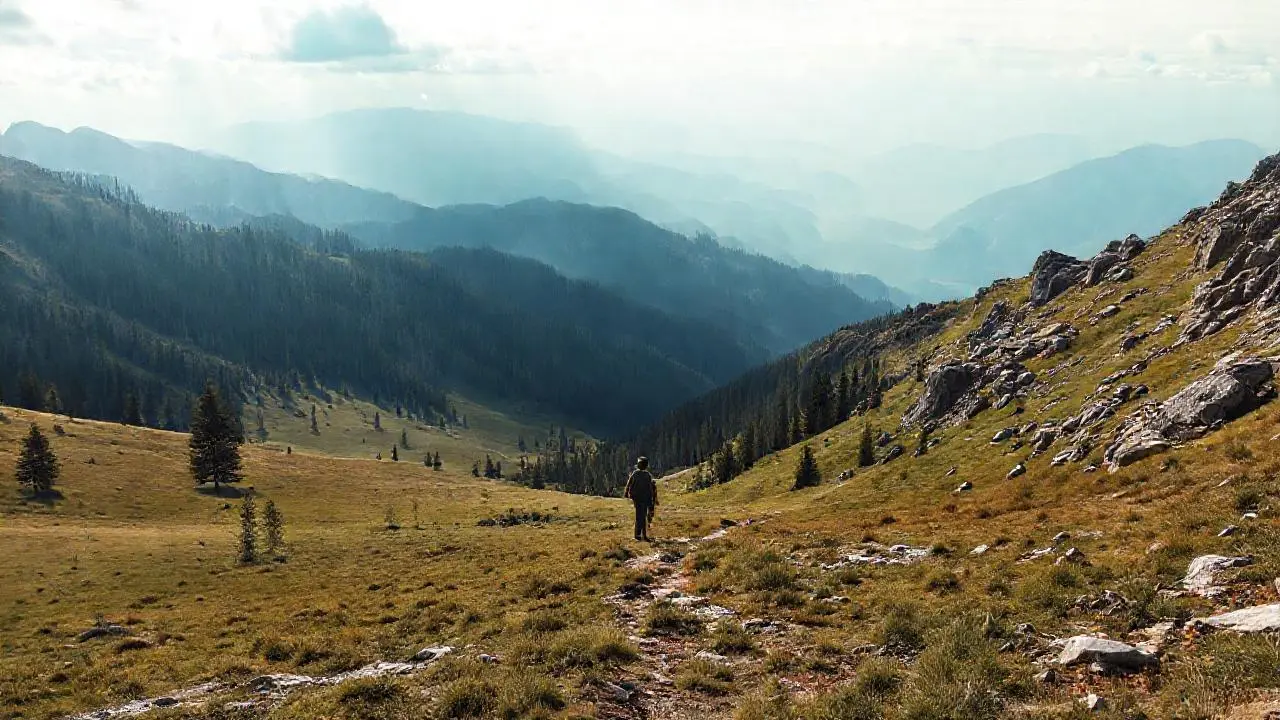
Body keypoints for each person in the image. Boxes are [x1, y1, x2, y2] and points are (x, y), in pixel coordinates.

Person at [623, 456, 657, 541]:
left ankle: (639, 535)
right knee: (643, 516)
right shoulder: (647, 475)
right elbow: (650, 488)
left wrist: (626, 493)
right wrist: (651, 498)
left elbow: (629, 483)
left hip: (638, 497)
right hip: (643, 498)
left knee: (640, 516)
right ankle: (642, 535)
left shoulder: (636, 473)